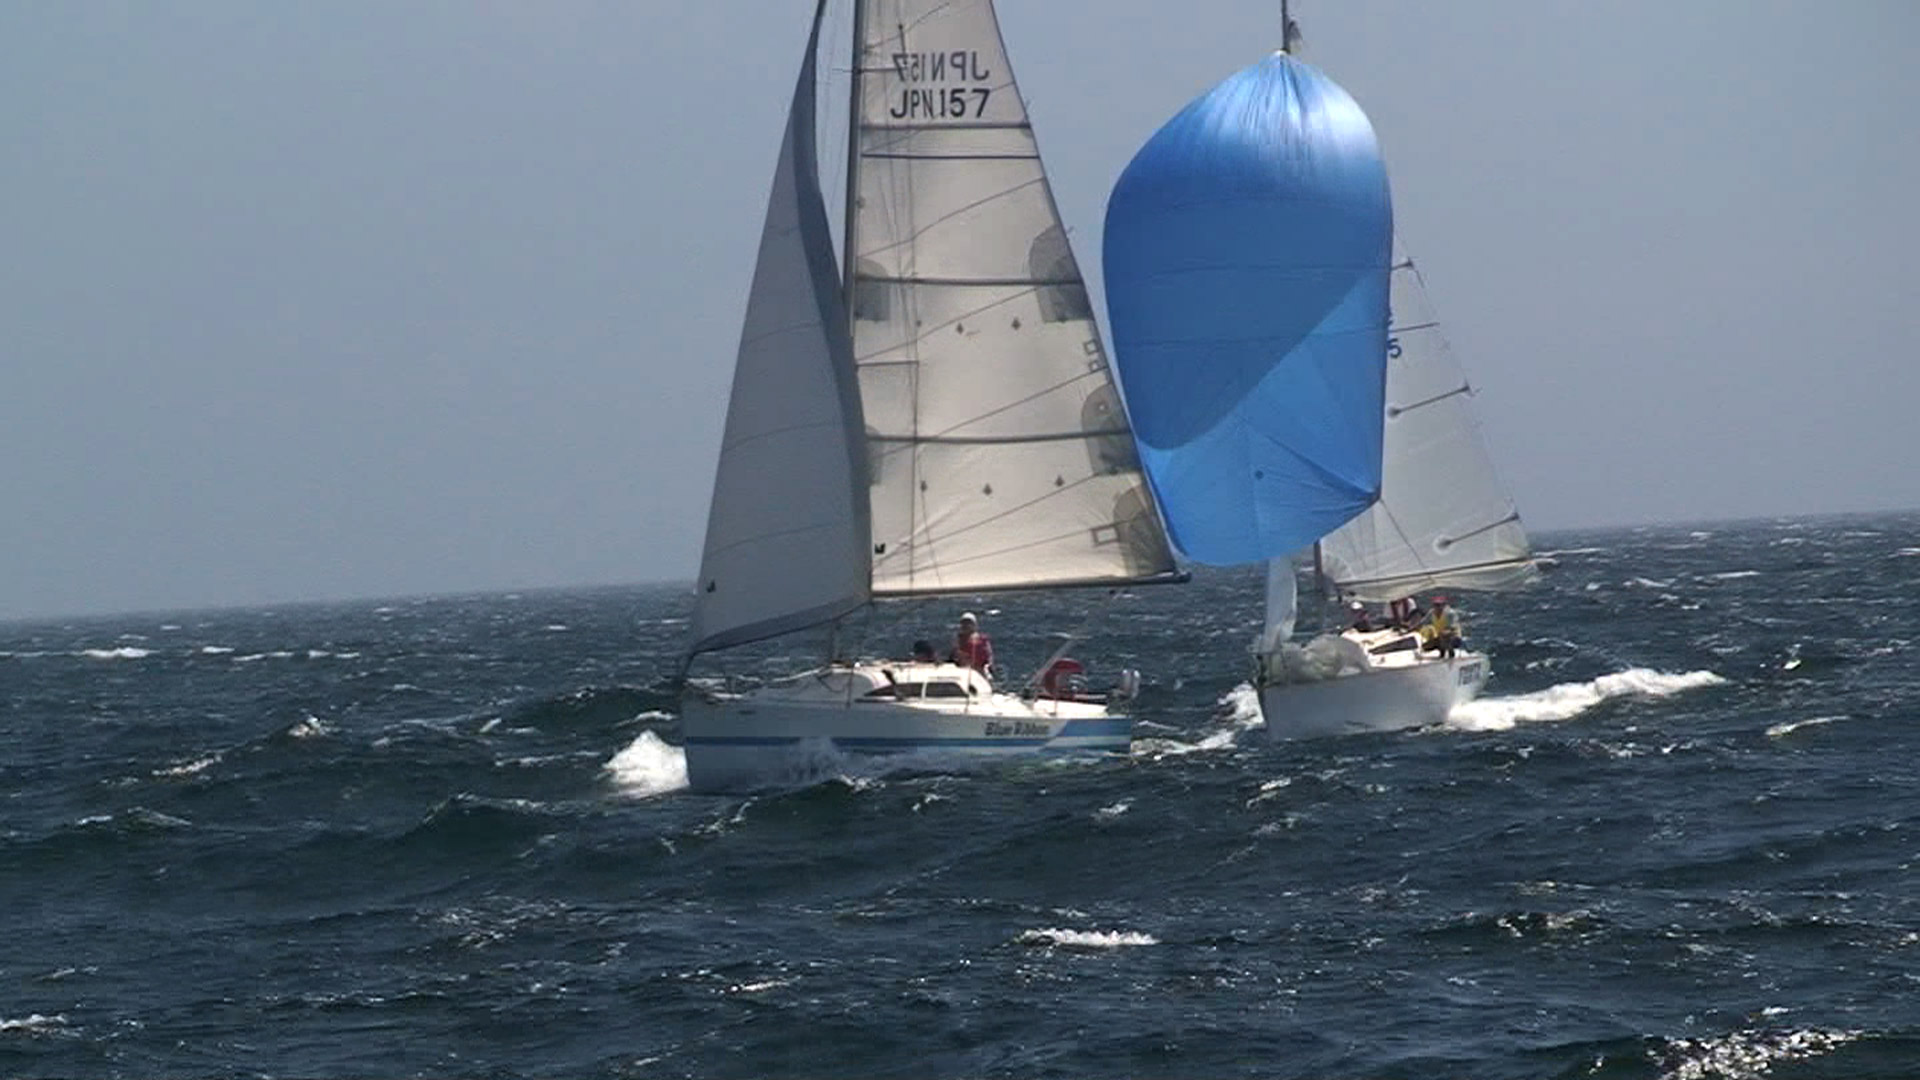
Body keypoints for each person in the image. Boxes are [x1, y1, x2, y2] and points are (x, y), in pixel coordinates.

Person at [948, 611, 994, 675]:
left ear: (974, 625)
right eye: (964, 623)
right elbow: (953, 656)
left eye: (969, 623)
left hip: (980, 670)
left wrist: (988, 665)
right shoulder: (958, 640)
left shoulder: (983, 639)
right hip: (963, 670)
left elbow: (989, 655)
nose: (966, 625)